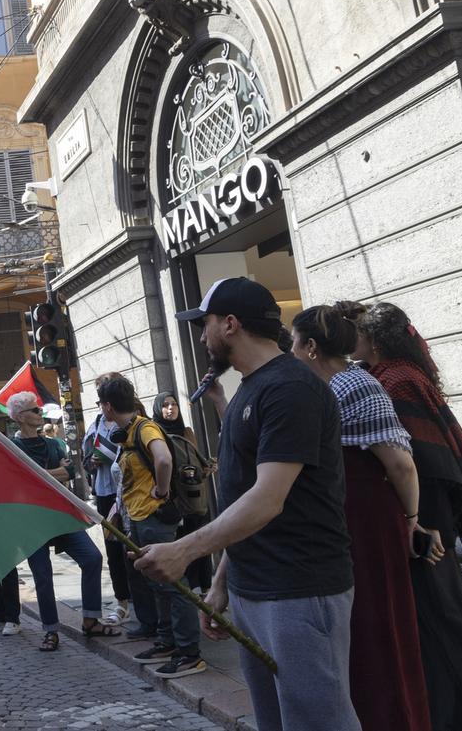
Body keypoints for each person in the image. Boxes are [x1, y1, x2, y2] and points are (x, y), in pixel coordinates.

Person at [134, 277, 361, 731]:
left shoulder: (291, 388)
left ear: (231, 324)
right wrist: (222, 583)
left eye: (207, 324)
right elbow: (240, 498)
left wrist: (184, 550)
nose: (202, 336)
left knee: (319, 722)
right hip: (254, 589)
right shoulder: (246, 392)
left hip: (299, 589)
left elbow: (267, 500)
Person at [290, 304, 432, 731]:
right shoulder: (330, 386)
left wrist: (411, 518)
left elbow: (400, 463)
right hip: (349, 520)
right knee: (368, 627)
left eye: (295, 341)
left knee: (375, 626)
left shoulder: (349, 385)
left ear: (312, 346)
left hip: (364, 519)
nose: (291, 349)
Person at [347, 300, 462, 731]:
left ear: (373, 339)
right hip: (419, 510)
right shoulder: (392, 375)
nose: (353, 341)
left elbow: (416, 458)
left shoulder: (396, 380)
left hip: (424, 513)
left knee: (443, 611)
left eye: (358, 334)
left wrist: (417, 521)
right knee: (434, 613)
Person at [97, 378, 203, 678]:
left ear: (107, 406)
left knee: (173, 584)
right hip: (139, 520)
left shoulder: (145, 428)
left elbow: (164, 459)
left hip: (155, 518)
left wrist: (160, 489)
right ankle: (167, 642)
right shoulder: (129, 432)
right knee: (158, 584)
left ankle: (189, 652)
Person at [0, 392, 116, 651]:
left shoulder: (53, 444)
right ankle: (50, 631)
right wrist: (52, 473)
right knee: (42, 575)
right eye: (34, 411)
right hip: (32, 521)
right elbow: (21, 480)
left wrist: (38, 474)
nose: (39, 414)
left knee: (92, 558)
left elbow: (70, 472)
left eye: (39, 410)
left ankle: (90, 620)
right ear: (20, 417)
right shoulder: (11, 447)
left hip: (61, 514)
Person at [83, 372, 132, 626]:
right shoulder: (96, 422)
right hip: (104, 491)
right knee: (113, 549)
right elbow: (84, 455)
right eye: (99, 391)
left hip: (126, 492)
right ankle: (122, 600)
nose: (102, 399)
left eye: (105, 390)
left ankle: (142, 602)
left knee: (132, 548)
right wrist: (90, 461)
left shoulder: (131, 419)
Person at [152, 392, 212, 594]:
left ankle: (205, 587)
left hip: (195, 495)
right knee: (182, 544)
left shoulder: (187, 432)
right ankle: (190, 587)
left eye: (174, 404)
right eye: (166, 405)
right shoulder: (155, 433)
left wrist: (205, 469)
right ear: (158, 409)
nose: (171, 409)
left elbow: (195, 460)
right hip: (174, 500)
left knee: (202, 543)